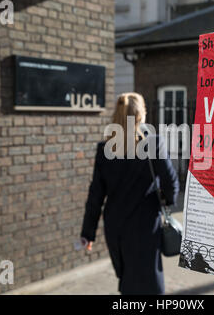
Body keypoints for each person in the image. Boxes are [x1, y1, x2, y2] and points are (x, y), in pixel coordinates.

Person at [80, 92, 180, 295]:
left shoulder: (104, 148)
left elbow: (95, 196)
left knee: (127, 280)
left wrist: (87, 233)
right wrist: (167, 201)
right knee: (150, 281)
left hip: (115, 227)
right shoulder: (153, 143)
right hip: (145, 227)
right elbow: (171, 183)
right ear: (141, 115)